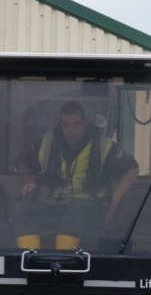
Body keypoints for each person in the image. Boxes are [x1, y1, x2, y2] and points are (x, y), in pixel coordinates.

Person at [13, 101, 139, 250]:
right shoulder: (46, 142)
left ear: (85, 123)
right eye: (66, 125)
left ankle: (64, 260)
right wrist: (30, 181)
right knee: (20, 209)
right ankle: (31, 257)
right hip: (51, 206)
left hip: (90, 210)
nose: (71, 131)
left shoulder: (104, 146)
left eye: (76, 124)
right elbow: (23, 165)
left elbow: (132, 169)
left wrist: (115, 197)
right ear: (60, 124)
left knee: (75, 207)